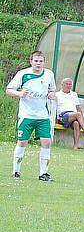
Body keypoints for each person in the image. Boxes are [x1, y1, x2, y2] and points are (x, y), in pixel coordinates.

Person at [6, 50, 56, 181]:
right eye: (36, 61)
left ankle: (43, 173)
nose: (38, 64)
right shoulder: (23, 74)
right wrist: (19, 94)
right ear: (31, 61)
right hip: (27, 114)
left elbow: (51, 90)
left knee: (46, 142)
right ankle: (16, 171)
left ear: (43, 62)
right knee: (22, 142)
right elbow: (9, 90)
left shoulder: (49, 74)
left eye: (41, 61)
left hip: (43, 115)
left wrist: (51, 95)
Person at [54, 77, 84, 149]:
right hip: (62, 116)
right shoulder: (57, 95)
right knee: (78, 114)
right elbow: (53, 108)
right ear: (62, 85)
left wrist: (82, 120)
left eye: (70, 84)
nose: (68, 86)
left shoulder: (74, 94)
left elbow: (78, 108)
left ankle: (75, 146)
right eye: (66, 84)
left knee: (76, 123)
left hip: (73, 116)